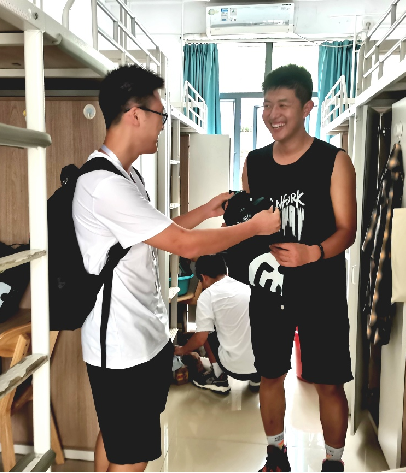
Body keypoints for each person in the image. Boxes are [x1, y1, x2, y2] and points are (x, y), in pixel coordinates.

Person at [78, 65, 281, 472]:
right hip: (122, 346)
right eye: (160, 114)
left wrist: (206, 210)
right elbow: (185, 244)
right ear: (136, 114)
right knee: (131, 456)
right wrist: (253, 228)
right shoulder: (105, 185)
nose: (162, 124)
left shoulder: (126, 176)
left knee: (116, 438)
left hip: (140, 337)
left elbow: (158, 232)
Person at [242, 65, 358, 473]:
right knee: (270, 375)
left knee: (329, 382)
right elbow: (249, 226)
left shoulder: (334, 161)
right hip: (269, 290)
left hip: (321, 290)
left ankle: (334, 462)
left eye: (283, 105)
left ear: (308, 107)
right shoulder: (254, 163)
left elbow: (347, 230)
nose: (273, 114)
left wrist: (312, 253)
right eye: (266, 105)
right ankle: (276, 456)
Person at [174, 254, 260, 394]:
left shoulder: (208, 295)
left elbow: (201, 338)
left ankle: (219, 378)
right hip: (262, 366)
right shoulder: (246, 288)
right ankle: (256, 379)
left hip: (236, 370)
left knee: (207, 330)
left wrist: (182, 350)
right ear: (226, 271)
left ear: (204, 277)